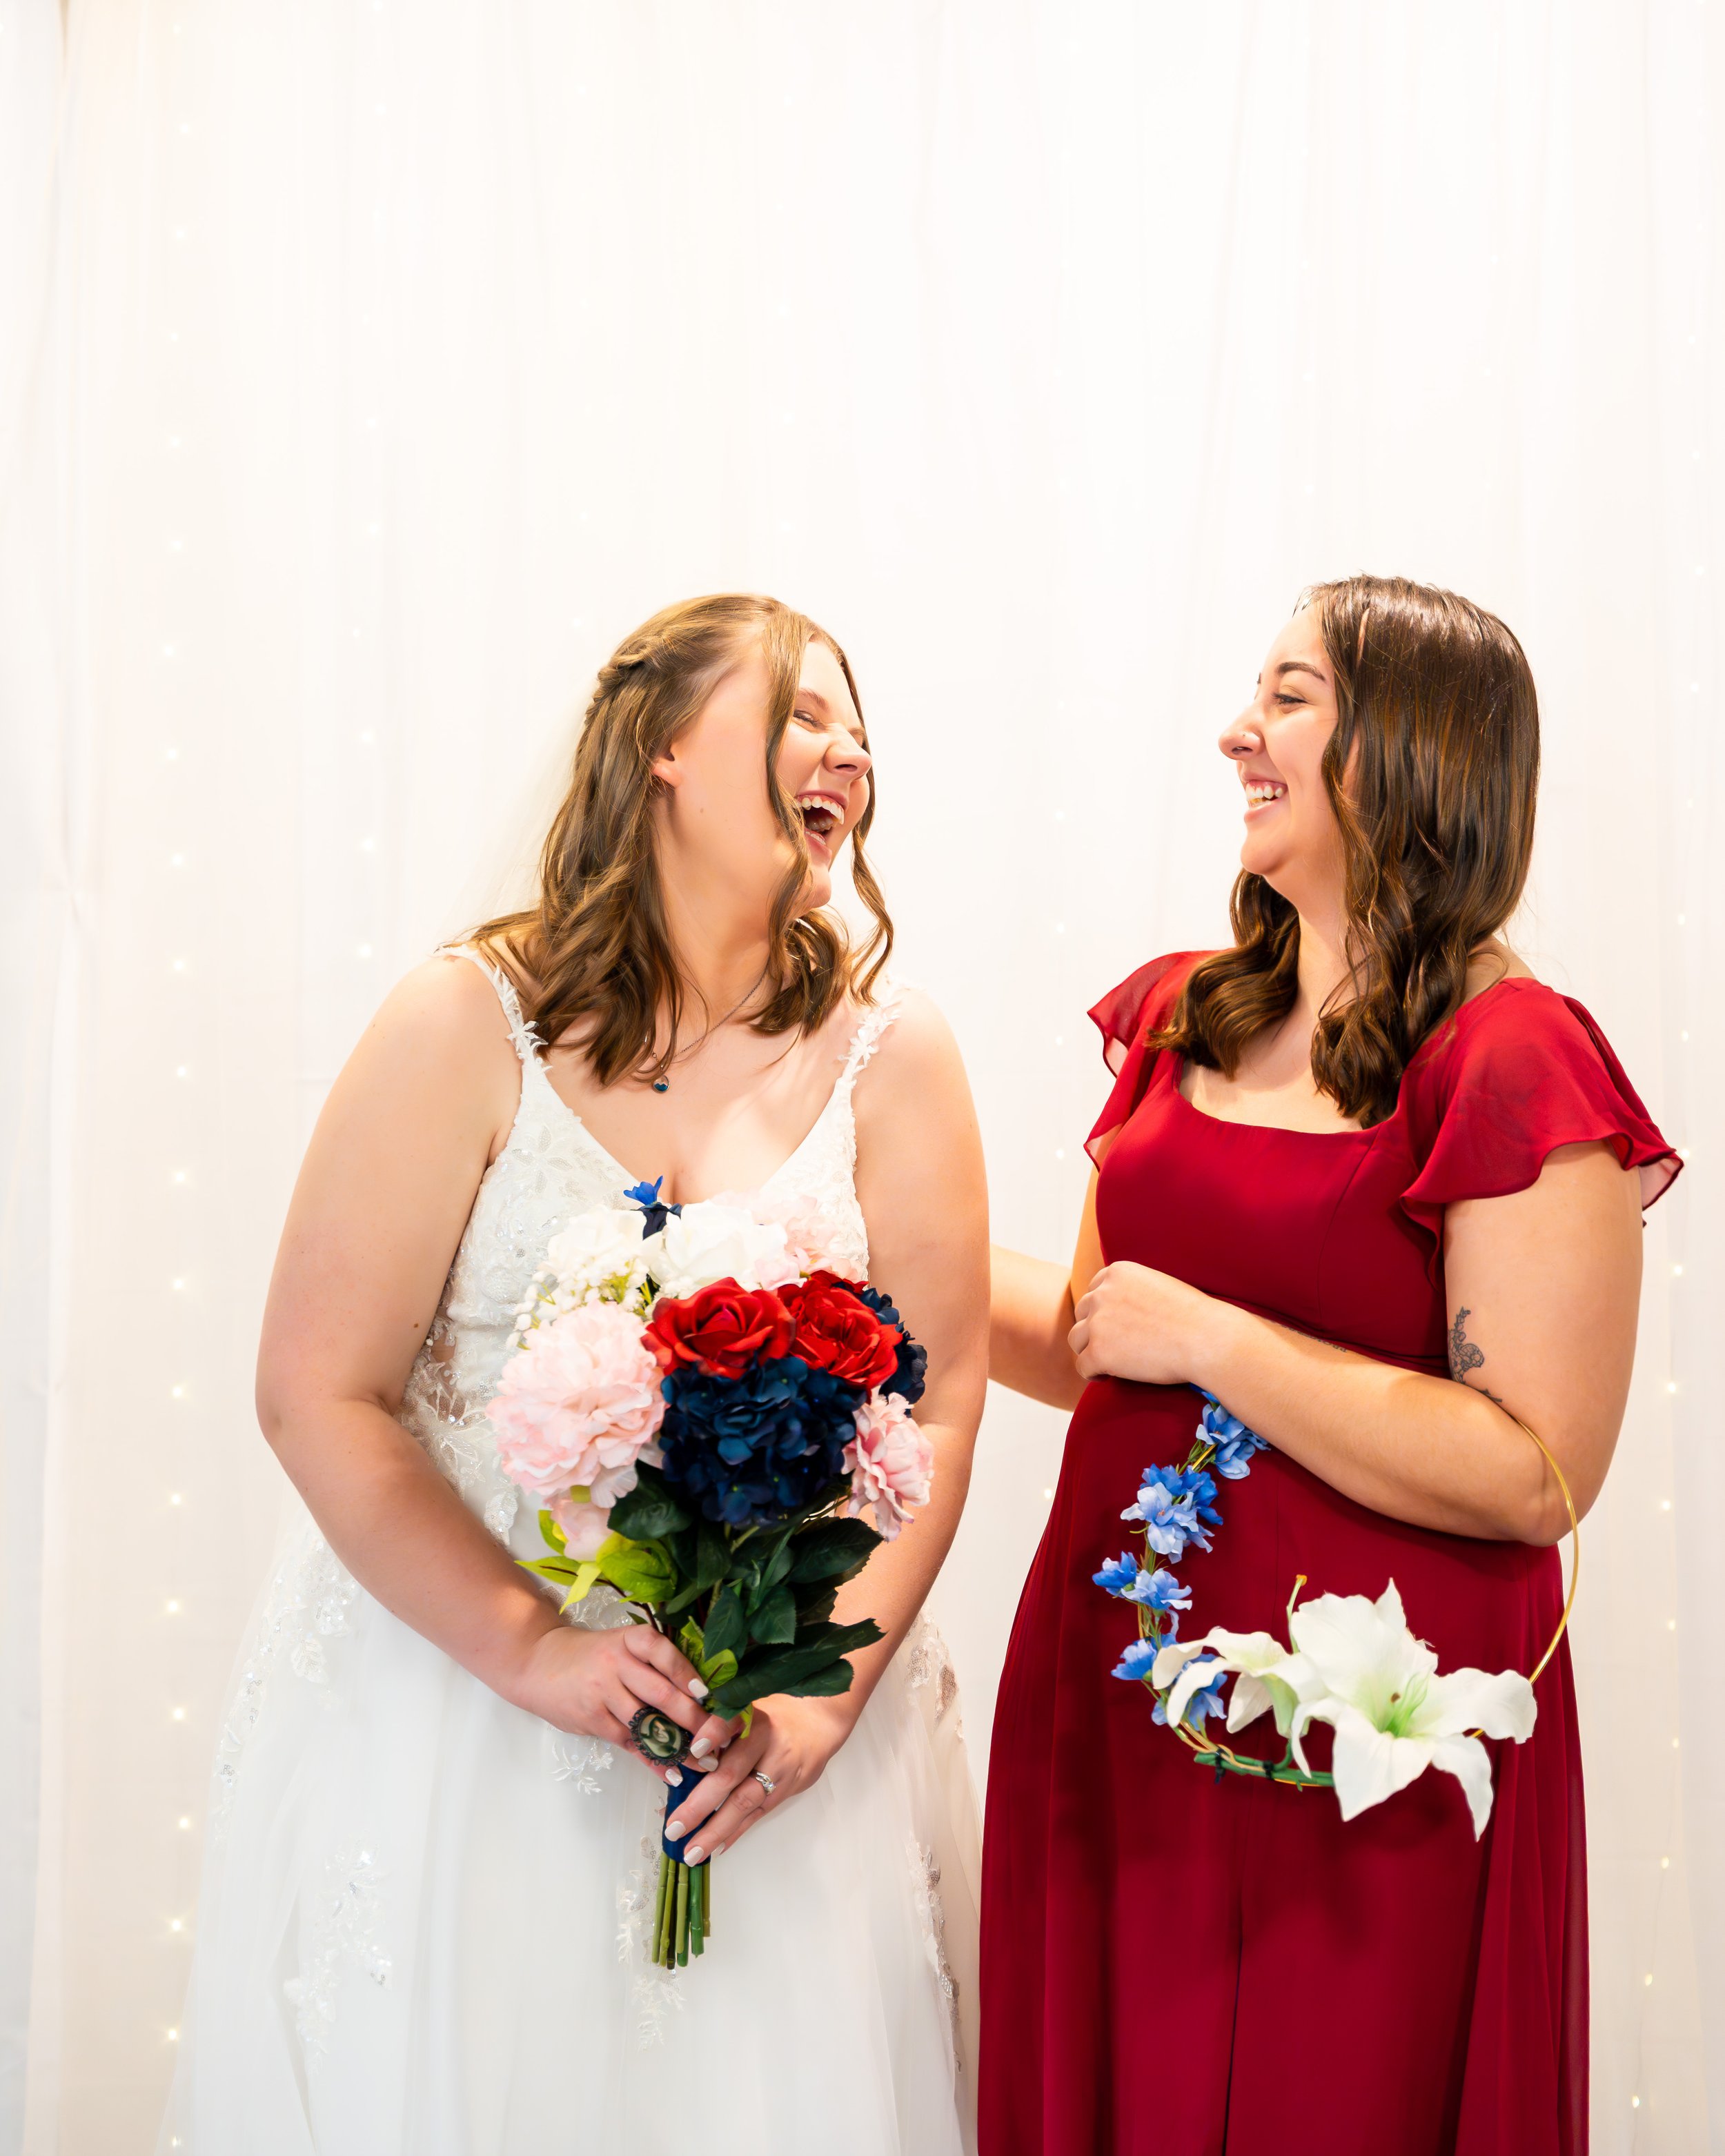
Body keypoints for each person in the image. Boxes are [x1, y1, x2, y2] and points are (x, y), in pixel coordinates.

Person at [162, 594, 988, 2155]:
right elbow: (316, 1390)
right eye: (803, 710)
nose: (849, 749)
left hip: (773, 1745)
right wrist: (534, 1651)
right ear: (667, 749)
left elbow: (936, 1409)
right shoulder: (468, 1022)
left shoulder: (897, 1058)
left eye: (859, 729)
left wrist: (823, 1705)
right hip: (463, 1724)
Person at [981, 576, 1679, 2156]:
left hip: (1361, 1754)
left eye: (1287, 696)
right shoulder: (1181, 1014)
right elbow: (1100, 1333)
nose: (1237, 730)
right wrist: (863, 1268)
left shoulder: (1513, 1056)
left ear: (1413, 749)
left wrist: (1219, 1341)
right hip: (1119, 1705)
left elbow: (1535, 1469)